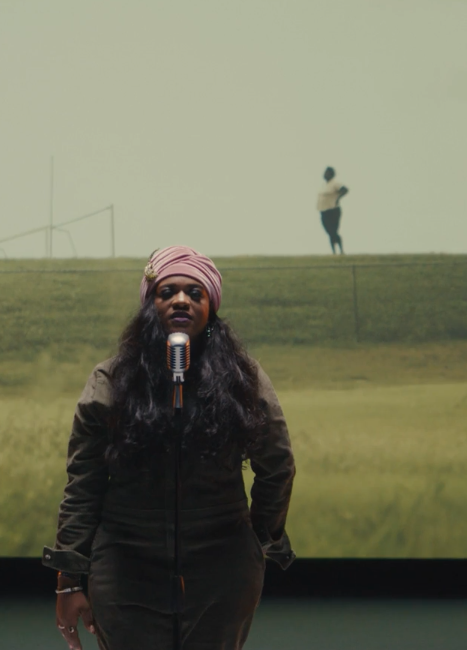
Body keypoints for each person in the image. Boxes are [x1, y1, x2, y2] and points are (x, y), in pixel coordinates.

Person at [42, 245, 297, 650]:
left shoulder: (243, 378)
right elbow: (83, 483)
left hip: (221, 566)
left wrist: (256, 538)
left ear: (211, 308)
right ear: (150, 305)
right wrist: (68, 581)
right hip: (125, 563)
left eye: (195, 293)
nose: (181, 300)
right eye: (167, 291)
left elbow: (277, 464)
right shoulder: (111, 380)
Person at [316, 167, 349, 254]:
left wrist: (338, 198)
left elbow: (345, 190)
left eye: (327, 173)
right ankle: (334, 252)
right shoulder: (324, 185)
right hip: (323, 211)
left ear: (331, 174)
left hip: (333, 210)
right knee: (329, 232)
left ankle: (341, 250)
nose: (324, 174)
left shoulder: (335, 183)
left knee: (333, 231)